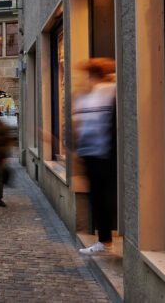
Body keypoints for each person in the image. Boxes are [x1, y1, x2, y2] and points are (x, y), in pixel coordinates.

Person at [74, 57, 118, 255]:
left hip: (101, 154)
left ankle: (104, 240)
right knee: (100, 198)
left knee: (101, 198)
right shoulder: (93, 94)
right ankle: (104, 239)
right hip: (93, 153)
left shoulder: (107, 92)